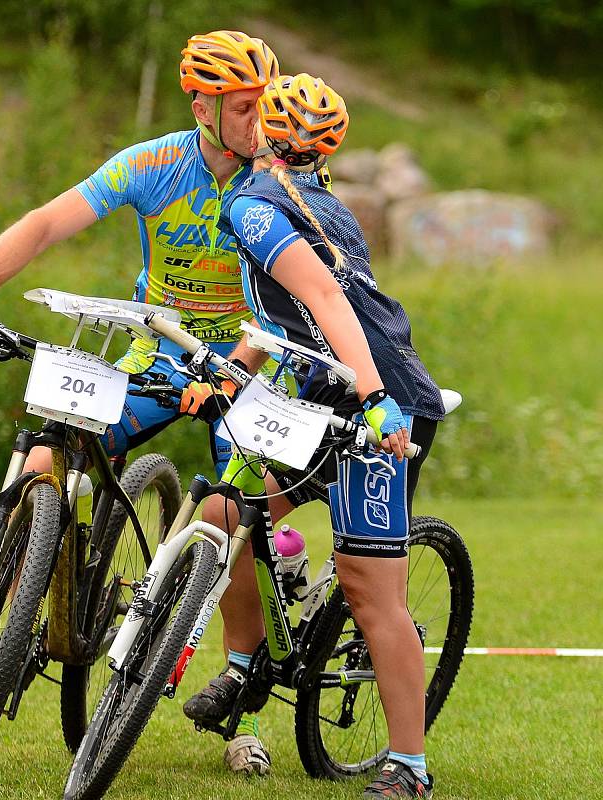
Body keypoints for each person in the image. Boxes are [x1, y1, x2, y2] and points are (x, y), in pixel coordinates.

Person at [0, 30, 279, 773]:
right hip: (159, 347)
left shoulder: (277, 177)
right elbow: (50, 220)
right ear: (202, 105)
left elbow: (293, 305)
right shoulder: (156, 163)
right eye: (244, 107)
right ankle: (26, 586)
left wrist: (235, 368)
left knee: (230, 516)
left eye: (263, 105)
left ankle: (241, 672)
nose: (259, 120)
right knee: (47, 447)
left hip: (247, 360)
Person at [183, 73, 445, 799]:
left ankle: (409, 769)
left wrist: (373, 399)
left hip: (375, 406)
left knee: (368, 590)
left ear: (263, 132)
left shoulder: (258, 205)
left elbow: (329, 299)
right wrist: (230, 371)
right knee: (225, 514)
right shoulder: (307, 200)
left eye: (248, 114)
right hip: (323, 401)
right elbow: (284, 316)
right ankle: (243, 670)